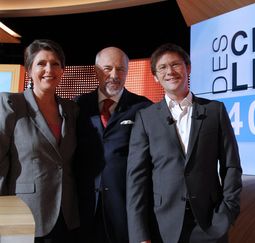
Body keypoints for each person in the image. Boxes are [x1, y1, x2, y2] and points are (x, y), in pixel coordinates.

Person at [126, 43, 243, 243]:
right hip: (162, 226)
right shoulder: (145, 118)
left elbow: (231, 166)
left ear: (188, 68)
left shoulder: (215, 111)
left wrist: (227, 213)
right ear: (155, 77)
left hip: (210, 224)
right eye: (162, 68)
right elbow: (136, 180)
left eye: (175, 64)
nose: (170, 71)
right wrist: (139, 235)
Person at [0, 39, 80, 243]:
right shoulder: (11, 104)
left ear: (62, 70)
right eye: (41, 63)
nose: (49, 69)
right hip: (23, 215)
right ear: (29, 70)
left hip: (66, 215)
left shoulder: (72, 110)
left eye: (55, 64)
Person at [74, 46, 153, 243]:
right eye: (107, 68)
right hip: (82, 211)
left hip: (125, 212)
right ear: (96, 70)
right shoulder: (76, 106)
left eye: (121, 69)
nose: (114, 75)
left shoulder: (144, 108)